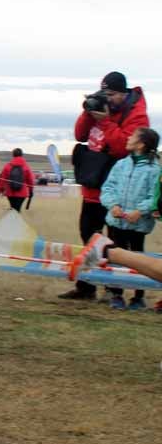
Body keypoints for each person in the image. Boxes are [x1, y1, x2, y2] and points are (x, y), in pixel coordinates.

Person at [64, 71, 150, 301]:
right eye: (105, 93)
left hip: (119, 192)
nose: (108, 98)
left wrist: (105, 121)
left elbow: (124, 147)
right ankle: (87, 287)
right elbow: (80, 134)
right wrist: (88, 111)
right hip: (93, 186)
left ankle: (115, 288)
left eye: (111, 94)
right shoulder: (102, 107)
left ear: (123, 93)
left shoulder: (137, 115)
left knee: (116, 242)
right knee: (88, 235)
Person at [96, 127, 159, 310]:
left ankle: (138, 296)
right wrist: (112, 205)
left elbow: (154, 196)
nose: (128, 137)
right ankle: (116, 295)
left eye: (133, 136)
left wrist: (140, 211)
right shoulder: (121, 164)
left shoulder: (153, 170)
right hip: (116, 222)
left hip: (138, 225)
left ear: (141, 144)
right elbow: (108, 188)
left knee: (140, 259)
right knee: (115, 256)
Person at [0, 148, 35, 213]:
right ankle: (15, 218)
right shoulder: (26, 167)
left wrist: (1, 189)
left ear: (13, 155)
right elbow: (30, 180)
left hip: (10, 192)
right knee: (17, 210)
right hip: (22, 192)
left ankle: (13, 219)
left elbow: (3, 178)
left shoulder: (7, 166)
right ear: (22, 155)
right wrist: (31, 190)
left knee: (13, 208)